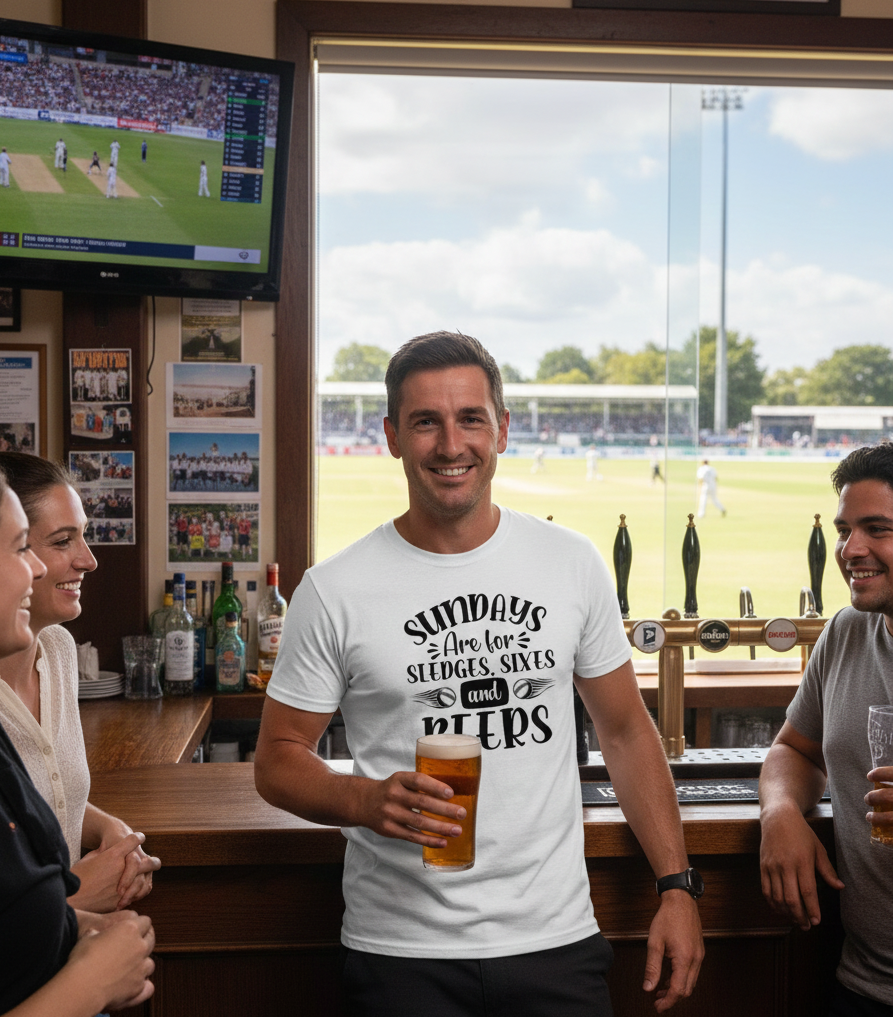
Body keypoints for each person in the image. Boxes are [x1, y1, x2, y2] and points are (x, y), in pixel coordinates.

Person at [255, 331, 703, 1017]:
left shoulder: (570, 562)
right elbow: (277, 760)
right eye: (424, 422)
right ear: (391, 437)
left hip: (555, 939)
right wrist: (364, 800)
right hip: (400, 952)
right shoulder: (334, 588)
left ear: (502, 429)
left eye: (470, 418)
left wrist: (676, 885)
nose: (450, 444)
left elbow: (624, 732)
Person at [0, 468, 156, 1015]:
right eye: (58, 541)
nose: (88, 559)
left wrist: (110, 830)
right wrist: (74, 893)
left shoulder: (61, 650)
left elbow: (38, 797)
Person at [759, 443, 893, 1016]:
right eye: (844, 530)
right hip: (863, 984)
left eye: (877, 529)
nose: (850, 550)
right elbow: (795, 748)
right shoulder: (847, 631)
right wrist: (780, 812)